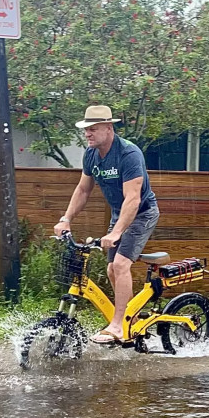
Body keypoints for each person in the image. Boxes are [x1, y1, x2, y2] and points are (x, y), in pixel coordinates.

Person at [54, 105, 159, 344]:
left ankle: (119, 325)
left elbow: (132, 199)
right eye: (86, 129)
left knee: (120, 265)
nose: (87, 134)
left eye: (93, 129)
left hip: (141, 213)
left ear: (109, 128)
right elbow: (83, 189)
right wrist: (66, 218)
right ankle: (128, 320)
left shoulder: (128, 154)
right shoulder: (91, 155)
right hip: (118, 213)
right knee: (111, 269)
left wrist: (117, 232)